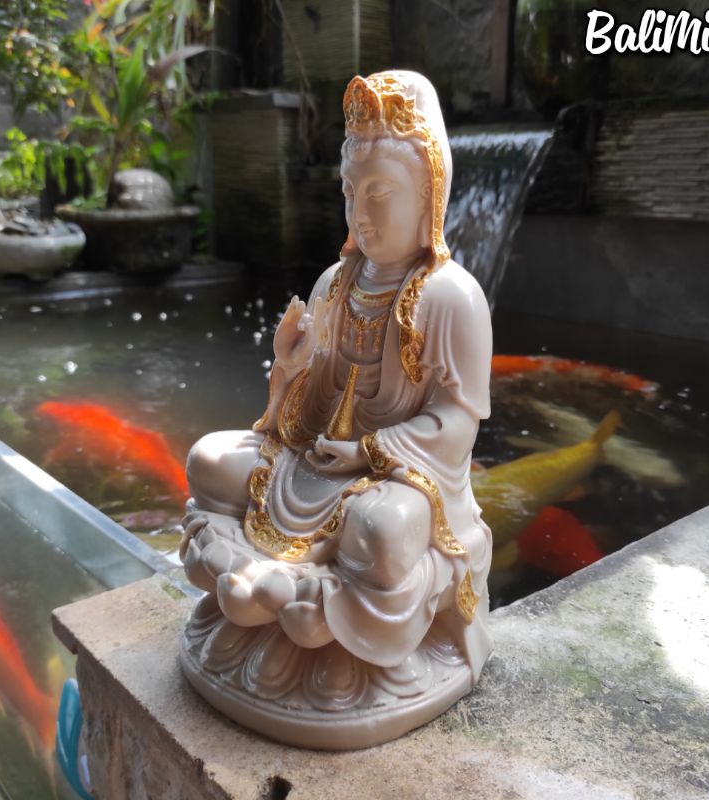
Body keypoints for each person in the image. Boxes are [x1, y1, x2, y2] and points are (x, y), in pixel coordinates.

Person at [179, 70, 494, 749]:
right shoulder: (334, 283)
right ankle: (292, 599)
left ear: (429, 194)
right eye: (351, 193)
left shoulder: (452, 298)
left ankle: (323, 626)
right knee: (208, 460)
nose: (362, 215)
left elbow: (457, 426)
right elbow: (305, 418)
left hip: (395, 482)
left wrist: (368, 453)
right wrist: (287, 370)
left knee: (381, 534)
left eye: (380, 193)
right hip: (313, 464)